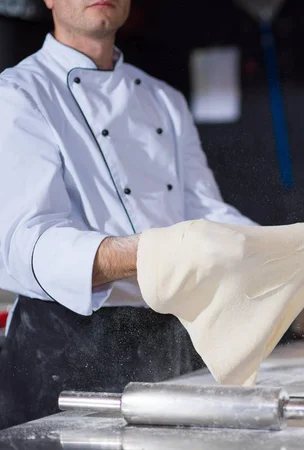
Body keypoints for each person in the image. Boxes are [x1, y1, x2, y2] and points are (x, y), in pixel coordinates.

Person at [0, 0, 256, 430]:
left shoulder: (165, 100)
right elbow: (25, 240)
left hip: (168, 342)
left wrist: (270, 248)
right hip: (63, 350)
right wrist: (148, 253)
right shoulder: (18, 93)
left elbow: (203, 210)